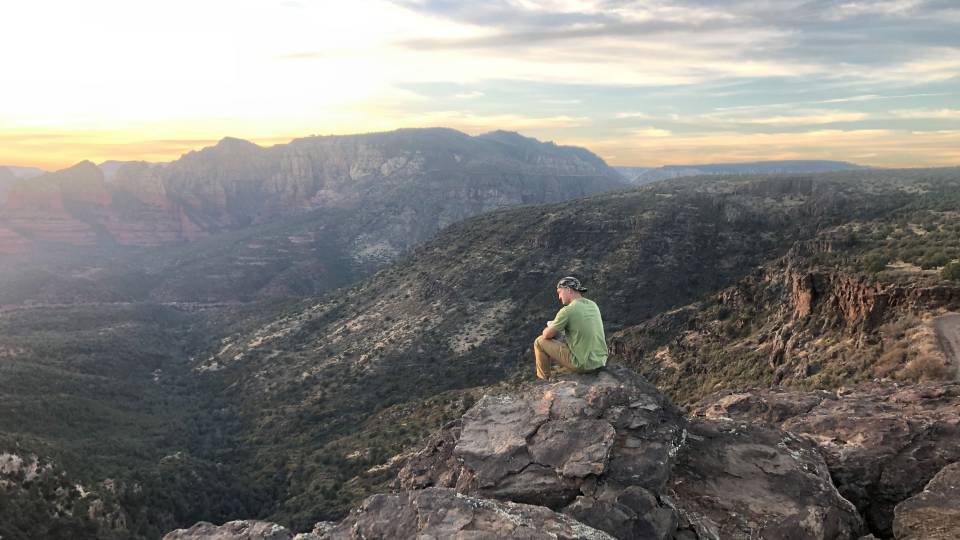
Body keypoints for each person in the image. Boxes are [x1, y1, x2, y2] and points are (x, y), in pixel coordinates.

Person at [533, 276, 607, 380]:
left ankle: (543, 380)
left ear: (568, 290)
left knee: (539, 341)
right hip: (600, 361)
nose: (559, 297)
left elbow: (547, 335)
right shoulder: (593, 305)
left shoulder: (567, 311)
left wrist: (550, 326)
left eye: (559, 292)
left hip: (583, 364)